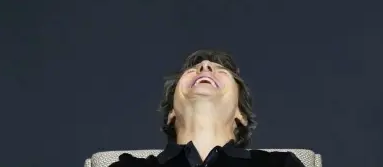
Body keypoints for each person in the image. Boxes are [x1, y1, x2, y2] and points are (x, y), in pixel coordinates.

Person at [109, 50, 306, 167]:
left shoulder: (280, 165)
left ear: (241, 114)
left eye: (221, 71)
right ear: (171, 113)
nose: (205, 66)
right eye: (192, 71)